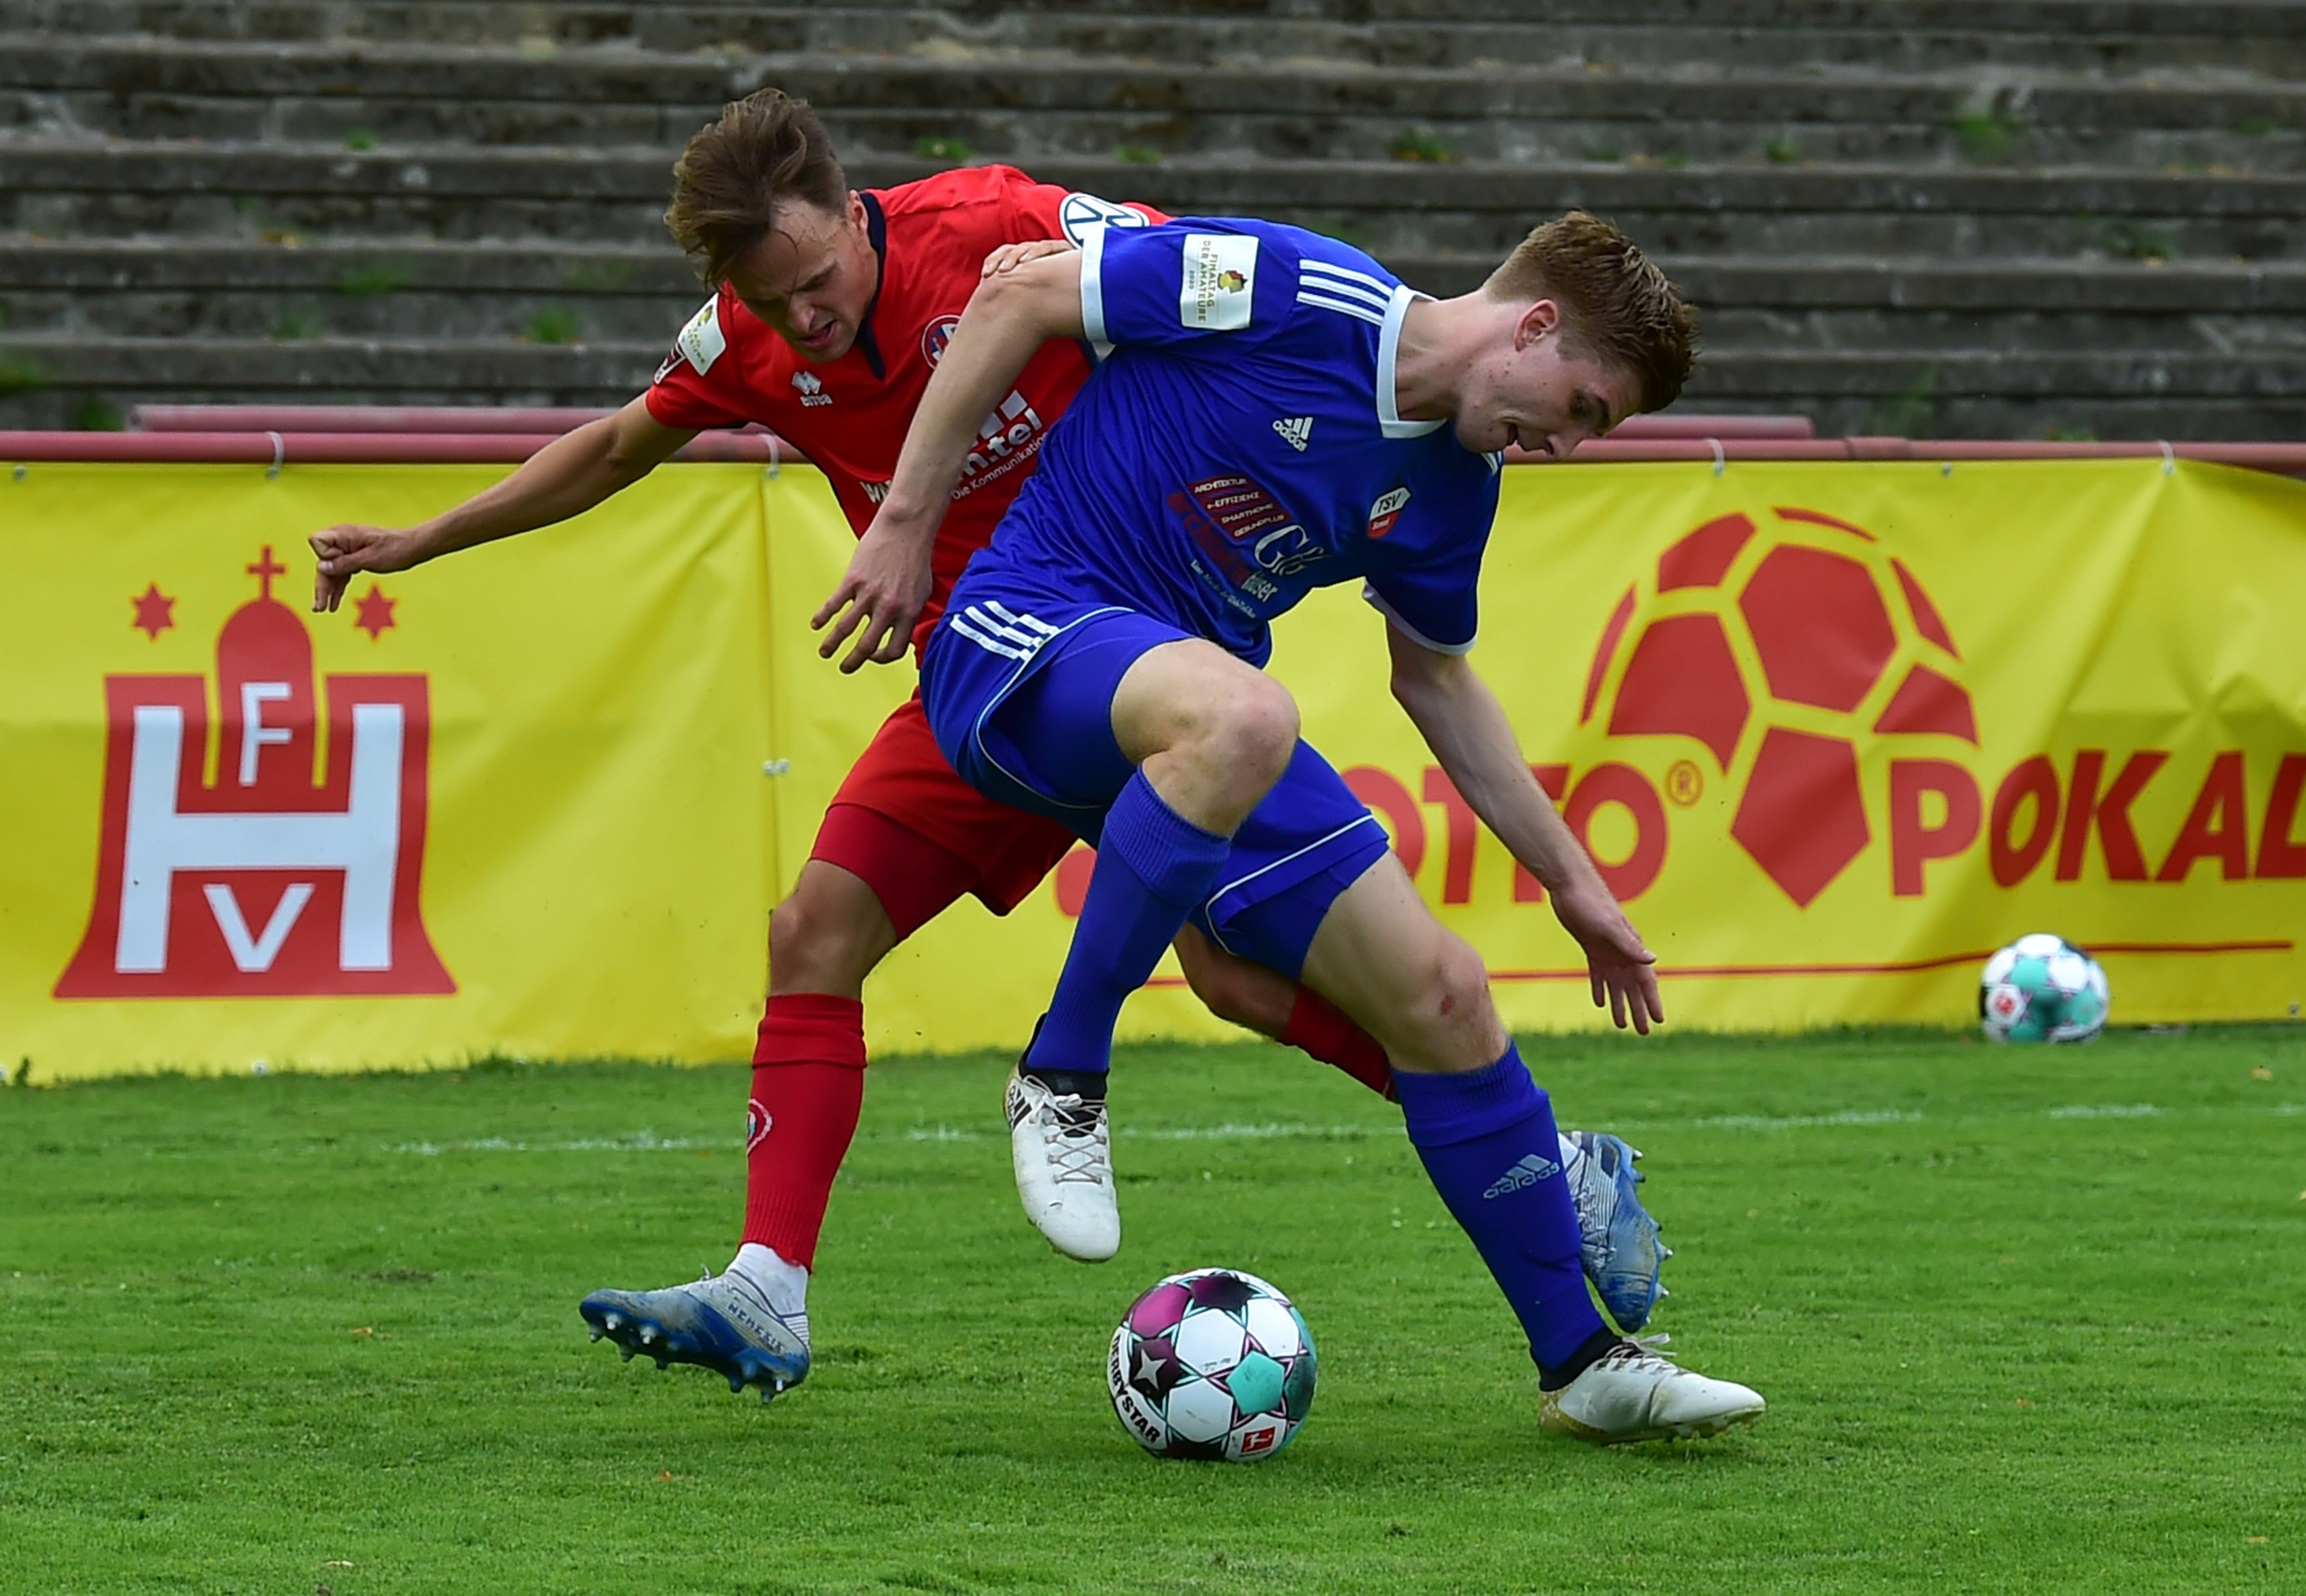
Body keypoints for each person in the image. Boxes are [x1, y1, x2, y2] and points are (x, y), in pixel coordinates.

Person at [306, 90, 1669, 1405]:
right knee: (816, 933)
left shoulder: (994, 228)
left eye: (814, 281)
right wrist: (418, 542)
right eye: (771, 301)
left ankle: (1531, 1177)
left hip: (1128, 644)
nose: (804, 317)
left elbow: (1142, 280)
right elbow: (611, 449)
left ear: (852, 212)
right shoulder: (739, 343)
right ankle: (765, 1285)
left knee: (1246, 968)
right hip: (1004, 655)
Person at [835, 207, 1761, 1442]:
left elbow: (1435, 679)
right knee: (1247, 716)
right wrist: (903, 523)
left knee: (1445, 996)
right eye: (1586, 407)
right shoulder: (1290, 287)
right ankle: (1062, 1074)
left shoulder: (1453, 484)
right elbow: (1018, 299)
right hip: (1030, 637)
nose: (1572, 445)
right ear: (1534, 327)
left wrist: (1575, 883)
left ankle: (1586, 1364)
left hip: (1200, 721)